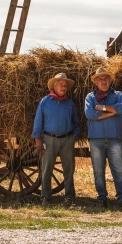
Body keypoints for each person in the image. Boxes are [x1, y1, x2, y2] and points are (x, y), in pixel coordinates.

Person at [32, 73, 80, 207]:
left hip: (67, 139)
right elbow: (38, 122)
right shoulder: (45, 102)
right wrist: (38, 139)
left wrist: (74, 135)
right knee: (47, 169)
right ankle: (45, 197)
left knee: (68, 170)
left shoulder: (70, 103)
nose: (63, 87)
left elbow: (76, 121)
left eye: (65, 85)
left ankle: (69, 197)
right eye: (61, 84)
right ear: (54, 85)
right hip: (49, 139)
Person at [84, 67, 122, 209]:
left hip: (114, 138)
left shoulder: (118, 95)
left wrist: (101, 108)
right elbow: (90, 114)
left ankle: (121, 197)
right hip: (96, 139)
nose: (104, 81)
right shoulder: (90, 97)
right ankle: (102, 198)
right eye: (100, 79)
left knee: (119, 169)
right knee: (98, 170)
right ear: (96, 82)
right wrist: (110, 112)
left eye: (106, 78)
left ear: (110, 81)